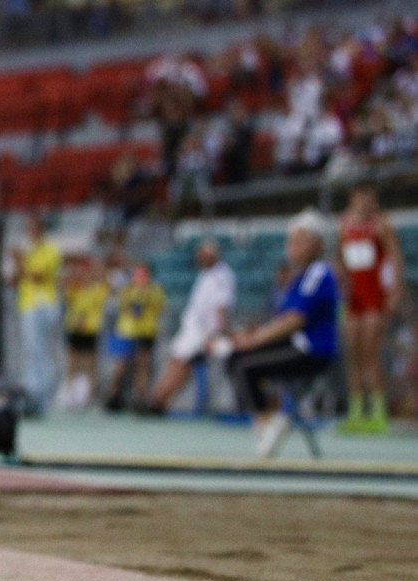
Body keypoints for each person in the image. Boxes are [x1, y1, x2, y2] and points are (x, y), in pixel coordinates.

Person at [224, 208, 338, 457]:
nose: (291, 247)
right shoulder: (300, 277)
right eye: (291, 240)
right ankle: (268, 421)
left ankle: (269, 423)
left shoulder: (318, 272)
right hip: (296, 345)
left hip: (311, 350)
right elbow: (281, 319)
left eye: (299, 240)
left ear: (317, 243)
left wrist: (253, 341)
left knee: (244, 364)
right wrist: (249, 337)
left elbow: (294, 320)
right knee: (236, 358)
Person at [335, 185, 402, 434]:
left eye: (369, 197)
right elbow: (340, 259)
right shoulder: (343, 225)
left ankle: (377, 411)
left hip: (375, 296)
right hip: (354, 298)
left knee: (370, 352)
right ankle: (356, 412)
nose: (364, 202)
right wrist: (340, 285)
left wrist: (394, 291)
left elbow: (395, 257)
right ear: (353, 198)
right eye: (360, 197)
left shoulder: (381, 225)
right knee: (353, 353)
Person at [147, 238, 236, 413]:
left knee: (179, 363)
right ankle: (159, 401)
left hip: (203, 332)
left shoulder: (221, 276)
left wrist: (220, 332)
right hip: (192, 329)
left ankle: (158, 401)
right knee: (177, 364)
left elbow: (221, 306)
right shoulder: (206, 274)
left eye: (205, 254)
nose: (200, 258)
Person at [11, 213, 62, 415]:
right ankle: (32, 392)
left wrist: (20, 260)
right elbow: (16, 279)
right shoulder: (29, 251)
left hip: (43, 305)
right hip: (28, 304)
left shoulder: (49, 250)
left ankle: (42, 395)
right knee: (31, 351)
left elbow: (37, 276)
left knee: (40, 351)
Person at [105, 263, 165, 412]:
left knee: (142, 366)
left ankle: (140, 398)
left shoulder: (155, 290)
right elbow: (121, 306)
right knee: (121, 365)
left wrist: (145, 296)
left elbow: (160, 306)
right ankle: (113, 395)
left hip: (146, 331)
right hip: (127, 331)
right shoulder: (127, 290)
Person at [57, 256, 108, 410]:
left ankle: (88, 395)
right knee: (72, 363)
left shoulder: (97, 290)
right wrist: (72, 271)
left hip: (90, 330)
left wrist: (95, 269)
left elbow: (105, 280)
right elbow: (61, 284)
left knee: (88, 364)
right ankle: (69, 393)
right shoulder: (73, 289)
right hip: (74, 329)